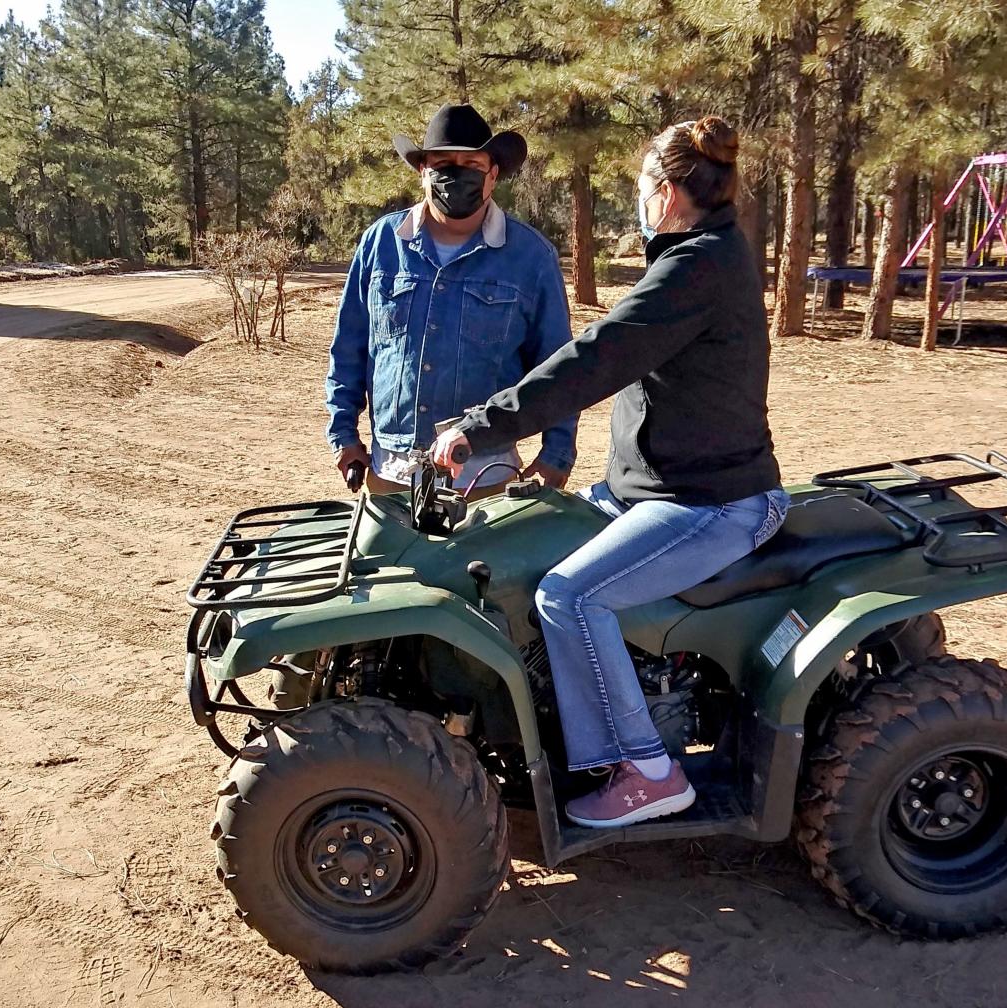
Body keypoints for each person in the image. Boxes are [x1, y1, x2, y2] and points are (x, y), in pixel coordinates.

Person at [432, 116, 788, 828]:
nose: (637, 197)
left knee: (569, 596)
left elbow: (593, 360)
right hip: (652, 489)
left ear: (665, 194)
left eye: (640, 185)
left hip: (711, 503)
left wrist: (479, 427)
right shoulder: (699, 254)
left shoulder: (699, 267)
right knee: (525, 542)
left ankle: (647, 769)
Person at [325, 103, 577, 497]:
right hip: (390, 470)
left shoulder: (531, 257)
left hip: (486, 477)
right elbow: (349, 349)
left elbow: (559, 366)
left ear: (493, 175)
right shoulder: (380, 244)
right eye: (443, 162)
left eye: (471, 164)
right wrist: (344, 435)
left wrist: (556, 450)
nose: (456, 174)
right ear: (422, 171)